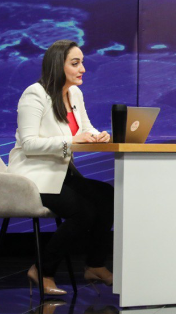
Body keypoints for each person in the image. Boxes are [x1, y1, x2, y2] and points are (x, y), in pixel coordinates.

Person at [8, 39, 114, 295]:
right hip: (33, 176)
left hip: (61, 172)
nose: (82, 69)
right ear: (58, 65)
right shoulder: (34, 94)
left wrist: (99, 135)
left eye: (82, 63)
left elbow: (85, 128)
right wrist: (72, 141)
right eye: (75, 63)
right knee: (83, 212)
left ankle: (95, 265)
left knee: (106, 196)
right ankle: (42, 269)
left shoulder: (74, 93)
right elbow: (30, 144)